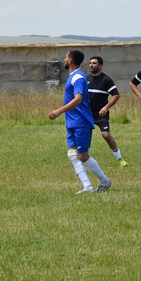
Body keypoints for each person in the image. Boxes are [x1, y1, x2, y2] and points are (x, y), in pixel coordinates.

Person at [49, 50, 111, 194]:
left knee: (82, 155)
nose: (64, 59)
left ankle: (105, 181)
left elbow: (77, 99)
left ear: (70, 60)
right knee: (72, 154)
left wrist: (60, 111)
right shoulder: (73, 76)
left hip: (81, 121)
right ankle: (87, 186)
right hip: (72, 122)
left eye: (66, 57)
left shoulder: (78, 77)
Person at [87, 56, 128, 166]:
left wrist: (106, 107)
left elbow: (116, 95)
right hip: (87, 113)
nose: (91, 65)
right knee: (85, 135)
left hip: (101, 114)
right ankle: (84, 158)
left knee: (106, 135)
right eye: (90, 63)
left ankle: (119, 159)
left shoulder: (106, 80)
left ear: (100, 66)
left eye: (94, 63)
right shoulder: (86, 79)